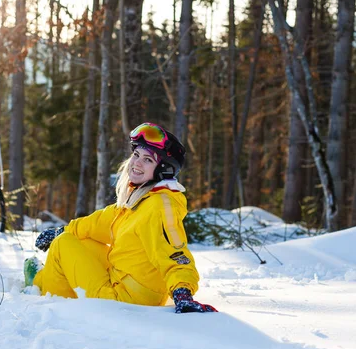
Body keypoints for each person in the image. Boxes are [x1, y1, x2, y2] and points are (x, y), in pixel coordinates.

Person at [25, 122, 217, 314]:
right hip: (123, 284)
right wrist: (61, 230)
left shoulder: (159, 206)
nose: (137, 163)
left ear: (163, 170)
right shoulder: (140, 199)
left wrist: (182, 292)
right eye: (136, 155)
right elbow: (99, 222)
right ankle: (51, 276)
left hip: (125, 301)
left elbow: (174, 252)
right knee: (80, 240)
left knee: (63, 245)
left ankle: (41, 287)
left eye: (148, 160)